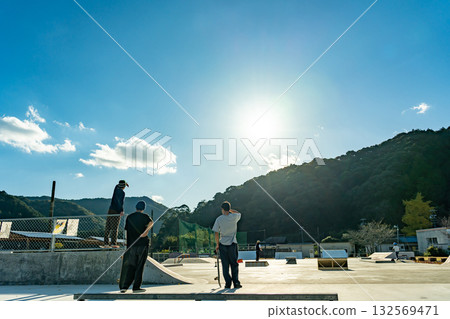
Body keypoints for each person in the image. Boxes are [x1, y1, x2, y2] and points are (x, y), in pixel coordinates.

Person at [119, 200, 153, 293]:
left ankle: (124, 287)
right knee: (140, 266)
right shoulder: (145, 217)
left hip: (131, 245)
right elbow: (151, 223)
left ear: (136, 207)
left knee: (131, 266)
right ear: (143, 208)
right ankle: (136, 287)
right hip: (142, 244)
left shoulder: (129, 217)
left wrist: (126, 243)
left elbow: (126, 231)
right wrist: (145, 233)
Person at [212, 201, 242, 289]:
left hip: (223, 244)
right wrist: (230, 210)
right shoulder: (234, 216)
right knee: (234, 264)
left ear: (222, 209)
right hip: (232, 243)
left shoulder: (219, 219)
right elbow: (239, 213)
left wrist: (217, 244)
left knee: (225, 265)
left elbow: (216, 233)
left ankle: (228, 284)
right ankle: (236, 283)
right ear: (229, 209)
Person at [103, 180, 128, 248]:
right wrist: (121, 210)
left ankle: (106, 243)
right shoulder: (122, 193)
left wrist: (125, 183)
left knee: (108, 226)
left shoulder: (116, 189)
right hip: (116, 211)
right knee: (115, 227)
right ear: (124, 187)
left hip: (110, 210)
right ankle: (114, 243)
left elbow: (117, 185)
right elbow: (120, 202)